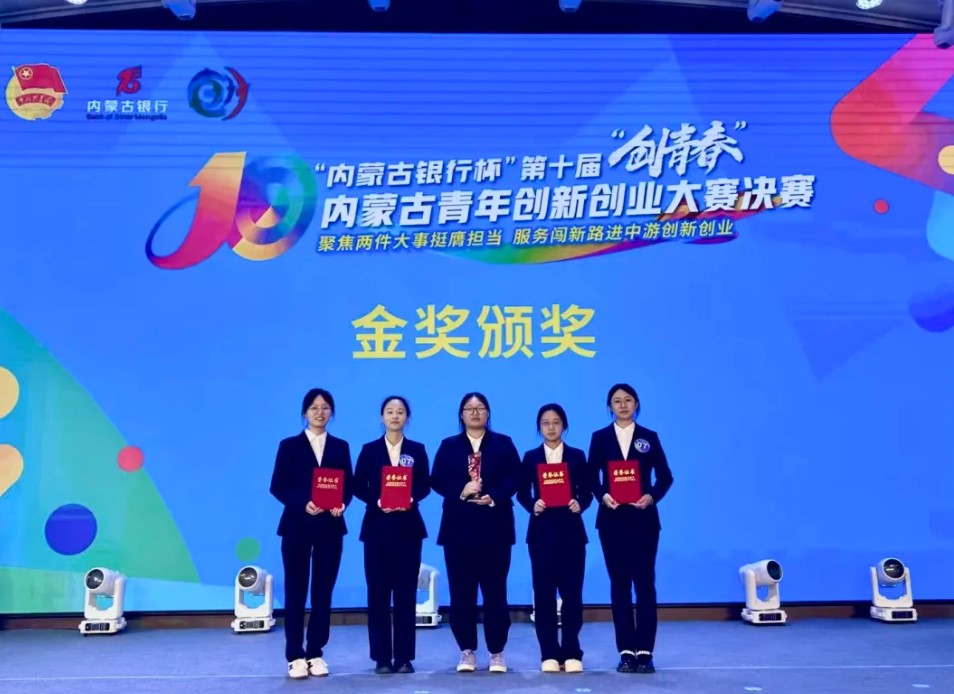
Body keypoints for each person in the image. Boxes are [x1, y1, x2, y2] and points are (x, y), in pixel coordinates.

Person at [430, 392, 521, 674]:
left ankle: (497, 651)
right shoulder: (449, 445)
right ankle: (466, 650)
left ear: (488, 413)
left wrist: (494, 495)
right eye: (469, 409)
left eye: (480, 408)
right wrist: (461, 490)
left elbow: (516, 477)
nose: (475, 412)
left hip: (495, 528)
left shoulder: (503, 443)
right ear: (461, 415)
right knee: (461, 594)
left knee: (495, 593)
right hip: (458, 530)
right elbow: (436, 479)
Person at [588, 383, 673, 674]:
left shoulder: (649, 437)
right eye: (617, 401)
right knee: (620, 584)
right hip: (611, 520)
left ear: (636, 404)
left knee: (645, 584)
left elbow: (665, 477)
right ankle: (626, 650)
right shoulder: (600, 438)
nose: (623, 405)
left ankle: (645, 652)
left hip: (643, 520)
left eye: (628, 400)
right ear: (609, 406)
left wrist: (651, 496)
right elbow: (590, 477)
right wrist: (603, 495)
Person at [269, 388, 354, 679]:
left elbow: (348, 485)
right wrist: (302, 503)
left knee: (322, 592)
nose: (320, 412)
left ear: (332, 412)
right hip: (296, 525)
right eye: (314, 407)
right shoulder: (289, 445)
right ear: (305, 412)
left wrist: (342, 503)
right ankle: (295, 655)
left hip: (330, 527)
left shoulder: (340, 446)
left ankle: (316, 652)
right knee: (295, 591)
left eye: (326, 407)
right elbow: (277, 486)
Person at [352, 396, 431, 675]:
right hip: (377, 528)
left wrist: (410, 497)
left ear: (407, 417)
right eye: (389, 412)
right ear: (381, 417)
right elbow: (357, 485)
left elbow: (425, 484)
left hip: (408, 529)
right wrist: (377, 500)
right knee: (378, 594)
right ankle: (382, 657)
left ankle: (405, 657)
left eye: (400, 412)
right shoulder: (369, 450)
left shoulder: (417, 450)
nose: (395, 416)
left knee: (406, 594)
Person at [516, 403, 591, 674]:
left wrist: (580, 503)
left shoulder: (577, 456)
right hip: (541, 533)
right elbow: (521, 493)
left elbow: (587, 492)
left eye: (556, 422)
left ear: (564, 426)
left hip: (571, 533)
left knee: (572, 595)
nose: (551, 427)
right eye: (545, 423)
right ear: (539, 427)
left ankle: (571, 651)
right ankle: (548, 652)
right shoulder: (531, 457)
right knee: (544, 596)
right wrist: (532, 504)